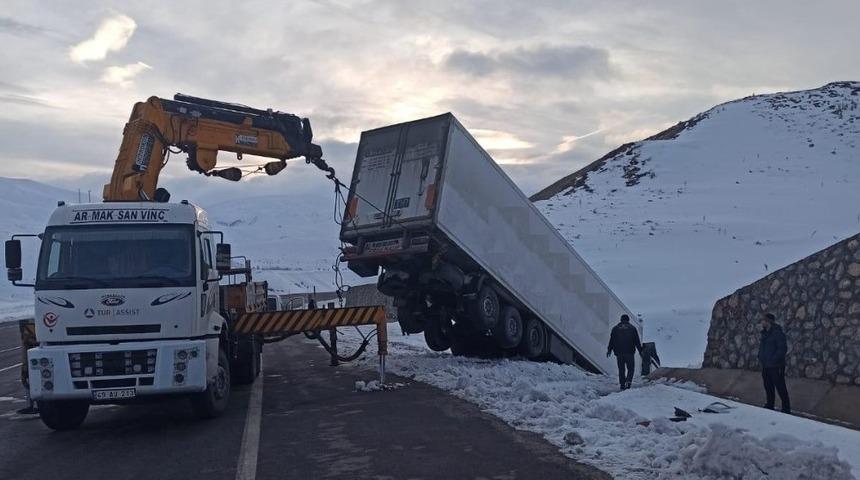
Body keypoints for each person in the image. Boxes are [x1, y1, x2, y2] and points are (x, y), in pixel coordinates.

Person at [758, 312, 791, 414]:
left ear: (768, 321)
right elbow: (762, 348)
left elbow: (782, 349)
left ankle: (786, 408)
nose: (761, 322)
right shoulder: (764, 333)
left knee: (780, 387)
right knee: (768, 386)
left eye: (763, 320)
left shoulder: (777, 333)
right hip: (766, 365)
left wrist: (773, 359)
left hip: (776, 366)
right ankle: (770, 405)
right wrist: (760, 357)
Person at [607, 314, 642, 390]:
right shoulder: (632, 328)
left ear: (621, 320)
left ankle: (622, 384)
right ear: (628, 320)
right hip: (629, 352)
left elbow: (611, 341)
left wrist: (609, 350)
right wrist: (640, 351)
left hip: (619, 353)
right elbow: (637, 341)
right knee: (631, 368)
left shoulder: (615, 329)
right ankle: (628, 382)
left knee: (621, 369)